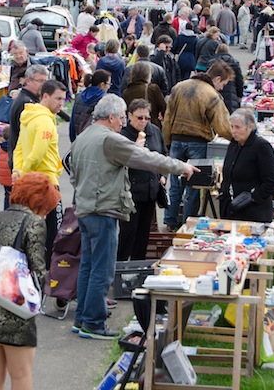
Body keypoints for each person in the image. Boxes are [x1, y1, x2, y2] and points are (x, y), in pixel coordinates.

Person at [70, 94, 198, 339]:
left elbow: (72, 171)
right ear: (111, 117)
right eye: (120, 118)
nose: (121, 123)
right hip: (102, 211)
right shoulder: (110, 139)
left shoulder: (83, 136)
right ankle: (93, 323)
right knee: (102, 270)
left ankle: (82, 318)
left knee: (87, 266)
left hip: (85, 208)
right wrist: (180, 166)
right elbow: (146, 158)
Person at [0, 172, 60, 390]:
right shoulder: (34, 222)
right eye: (46, 208)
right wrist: (54, 288)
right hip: (15, 305)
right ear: (39, 203)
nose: (46, 214)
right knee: (21, 375)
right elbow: (38, 269)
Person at [163, 62, 234, 230]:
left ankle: (170, 222)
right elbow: (222, 126)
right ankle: (188, 225)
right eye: (223, 84)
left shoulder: (179, 87)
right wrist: (237, 138)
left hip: (176, 140)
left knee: (175, 185)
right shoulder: (212, 95)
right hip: (198, 143)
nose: (222, 88)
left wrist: (167, 141)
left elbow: (167, 118)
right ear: (217, 79)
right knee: (193, 187)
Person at [13, 80, 66, 269]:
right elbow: (38, 152)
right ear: (45, 96)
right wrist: (24, 172)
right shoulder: (44, 121)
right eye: (58, 99)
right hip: (47, 184)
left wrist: (19, 173)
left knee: (30, 230)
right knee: (53, 233)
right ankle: (49, 276)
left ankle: (30, 270)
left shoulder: (29, 117)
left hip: (29, 184)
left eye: (63, 99)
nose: (62, 103)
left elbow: (19, 148)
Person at [117, 99, 168, 261]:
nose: (144, 121)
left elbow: (163, 155)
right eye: (140, 118)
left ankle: (138, 266)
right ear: (130, 116)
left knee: (143, 233)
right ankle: (119, 266)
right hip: (130, 193)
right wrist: (135, 148)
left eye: (147, 118)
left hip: (150, 191)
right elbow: (119, 162)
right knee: (128, 232)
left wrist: (162, 175)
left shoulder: (154, 131)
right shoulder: (123, 135)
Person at [219, 108, 274, 222]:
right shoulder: (233, 144)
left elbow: (271, 183)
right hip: (230, 211)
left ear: (250, 127)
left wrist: (252, 198)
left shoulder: (261, 147)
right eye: (232, 127)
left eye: (238, 127)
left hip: (253, 213)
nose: (234, 131)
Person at [8, 64, 49, 170]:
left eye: (46, 81)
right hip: (24, 163)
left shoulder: (29, 99)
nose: (44, 85)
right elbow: (26, 137)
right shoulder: (26, 104)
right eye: (40, 81)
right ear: (28, 81)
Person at [69, 69, 110, 142]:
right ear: (102, 84)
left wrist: (73, 140)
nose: (109, 87)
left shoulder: (79, 97)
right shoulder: (106, 100)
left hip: (79, 139)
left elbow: (72, 121)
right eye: (109, 84)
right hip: (95, 141)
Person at [122, 62, 166, 129]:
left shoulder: (126, 92)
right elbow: (164, 108)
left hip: (133, 127)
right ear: (148, 75)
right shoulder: (152, 88)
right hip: (152, 127)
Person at [209, 44, 243, 113]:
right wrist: (239, 95)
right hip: (231, 93)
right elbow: (239, 81)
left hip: (214, 92)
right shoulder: (234, 63)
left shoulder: (211, 62)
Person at [0, 125, 13, 209]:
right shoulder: (16, 147)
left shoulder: (0, 148)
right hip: (14, 176)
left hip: (4, 178)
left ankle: (6, 211)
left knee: (7, 195)